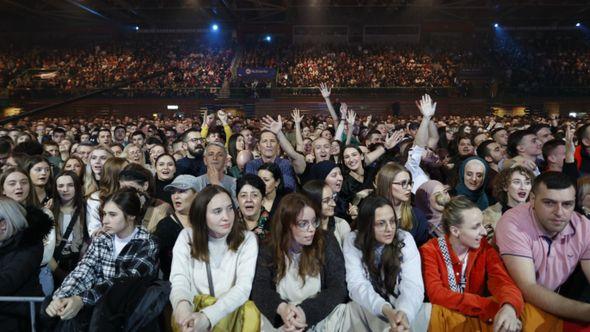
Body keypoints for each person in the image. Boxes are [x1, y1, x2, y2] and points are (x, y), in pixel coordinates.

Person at [45, 188, 159, 330]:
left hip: (130, 318)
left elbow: (124, 282)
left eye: (112, 215)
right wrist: (61, 297)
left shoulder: (147, 243)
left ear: (131, 216)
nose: (105, 221)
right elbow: (84, 270)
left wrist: (82, 299)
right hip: (99, 316)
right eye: (104, 214)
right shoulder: (102, 239)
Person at [420, 196, 533, 331]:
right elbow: (437, 294)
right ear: (455, 231)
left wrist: (509, 308)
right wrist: (491, 308)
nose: (484, 232)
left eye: (482, 224)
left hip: (475, 320)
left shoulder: (484, 248)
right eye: (475, 227)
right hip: (444, 321)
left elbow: (503, 282)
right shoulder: (430, 250)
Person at [497, 172, 590, 328]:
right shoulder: (513, 223)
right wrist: (586, 313)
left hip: (551, 305)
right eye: (549, 203)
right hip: (509, 305)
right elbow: (528, 288)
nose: (559, 212)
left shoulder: (583, 227)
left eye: (567, 204)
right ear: (532, 200)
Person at [251, 192, 348, 331]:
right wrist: (283, 309)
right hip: (284, 318)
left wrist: (304, 312)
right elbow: (260, 288)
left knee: (350, 310)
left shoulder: (326, 240)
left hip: (320, 315)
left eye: (314, 221)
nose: (311, 229)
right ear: (286, 225)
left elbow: (338, 287)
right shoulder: (269, 247)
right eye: (303, 224)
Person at [169, 185, 259, 331]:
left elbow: (243, 288)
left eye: (230, 208)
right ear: (202, 214)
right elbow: (180, 279)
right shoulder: (186, 236)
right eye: (217, 211)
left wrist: (208, 317)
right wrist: (182, 305)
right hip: (194, 312)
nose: (226, 216)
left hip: (231, 313)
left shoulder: (247, 239)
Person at [342, 196, 426, 332]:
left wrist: (403, 313)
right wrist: (385, 309)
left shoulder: (404, 239)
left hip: (403, 310)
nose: (389, 229)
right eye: (381, 223)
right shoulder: (353, 240)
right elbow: (357, 284)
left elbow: (412, 284)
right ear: (367, 225)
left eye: (392, 221)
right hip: (369, 310)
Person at [0, 197, 53, 331]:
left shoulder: (29, 246)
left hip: (20, 319)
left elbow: (8, 281)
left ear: (3, 224)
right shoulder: (5, 243)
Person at [153, 174, 199, 279]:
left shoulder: (208, 222)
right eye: (173, 192)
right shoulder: (165, 226)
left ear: (197, 195)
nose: (175, 196)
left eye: (182, 191)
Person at [375, 162, 429, 246]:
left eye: (410, 183)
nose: (409, 188)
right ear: (387, 185)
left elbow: (422, 250)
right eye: (403, 183)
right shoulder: (371, 214)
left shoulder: (417, 216)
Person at [482, 166, 533, 240]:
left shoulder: (537, 213)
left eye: (527, 183)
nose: (523, 187)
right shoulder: (488, 214)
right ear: (505, 186)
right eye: (517, 182)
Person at [119, 163, 173, 232]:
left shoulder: (161, 208)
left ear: (145, 185)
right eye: (122, 189)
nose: (125, 192)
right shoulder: (117, 206)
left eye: (131, 188)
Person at [86, 157, 128, 236]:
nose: (131, 174)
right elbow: (93, 231)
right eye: (126, 172)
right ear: (115, 175)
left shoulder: (133, 195)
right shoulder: (96, 198)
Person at [302, 180, 351, 247]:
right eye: (326, 201)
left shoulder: (341, 225)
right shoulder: (303, 230)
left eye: (332, 198)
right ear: (312, 203)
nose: (333, 204)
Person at [236, 174, 270, 240]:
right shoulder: (230, 223)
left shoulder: (273, 224)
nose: (249, 200)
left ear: (262, 200)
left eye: (254, 195)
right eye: (243, 195)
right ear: (237, 200)